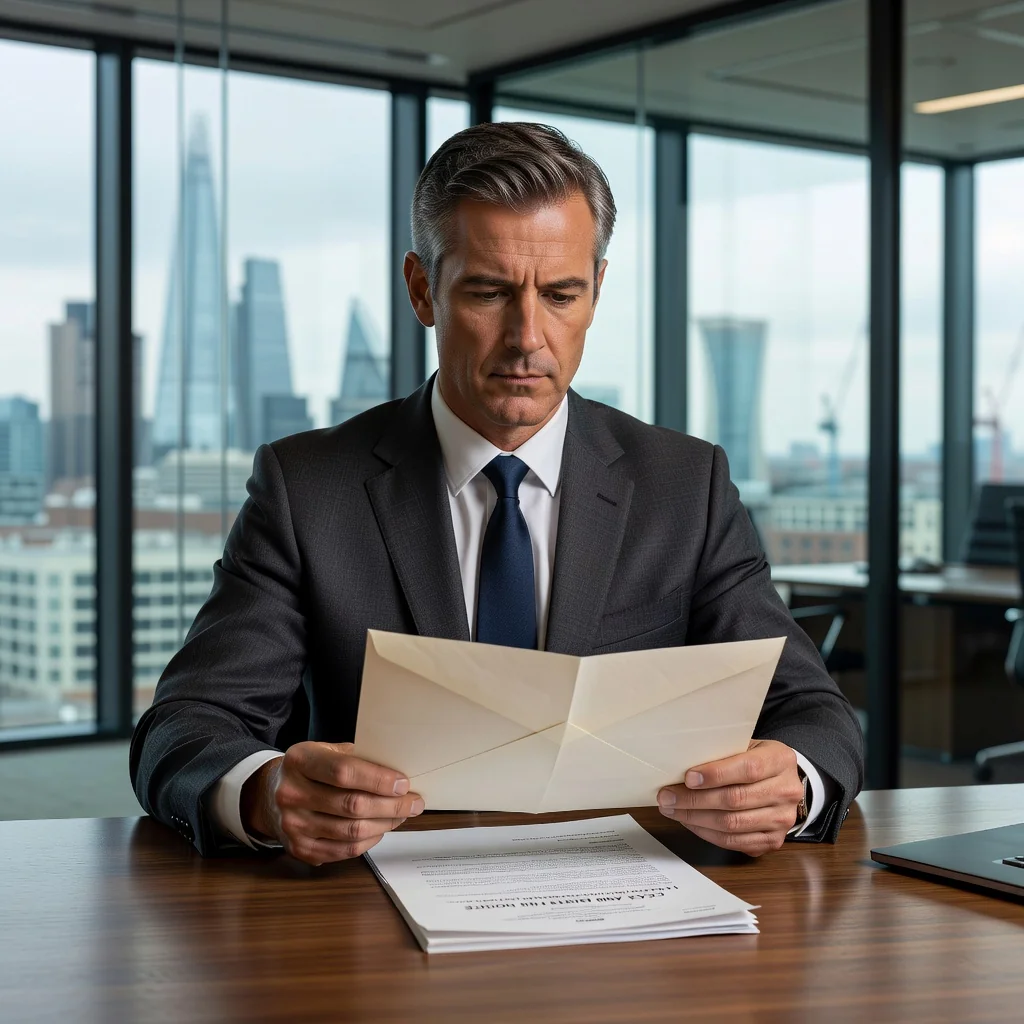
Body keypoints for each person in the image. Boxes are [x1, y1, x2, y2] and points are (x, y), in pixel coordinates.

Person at [130, 122, 864, 865]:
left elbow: (813, 713)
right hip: (372, 918)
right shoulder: (309, 489)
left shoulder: (684, 486)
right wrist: (264, 791)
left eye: (561, 294)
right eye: (489, 291)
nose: (527, 337)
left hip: (624, 907)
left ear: (597, 292)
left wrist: (791, 783)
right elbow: (186, 726)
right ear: (424, 290)